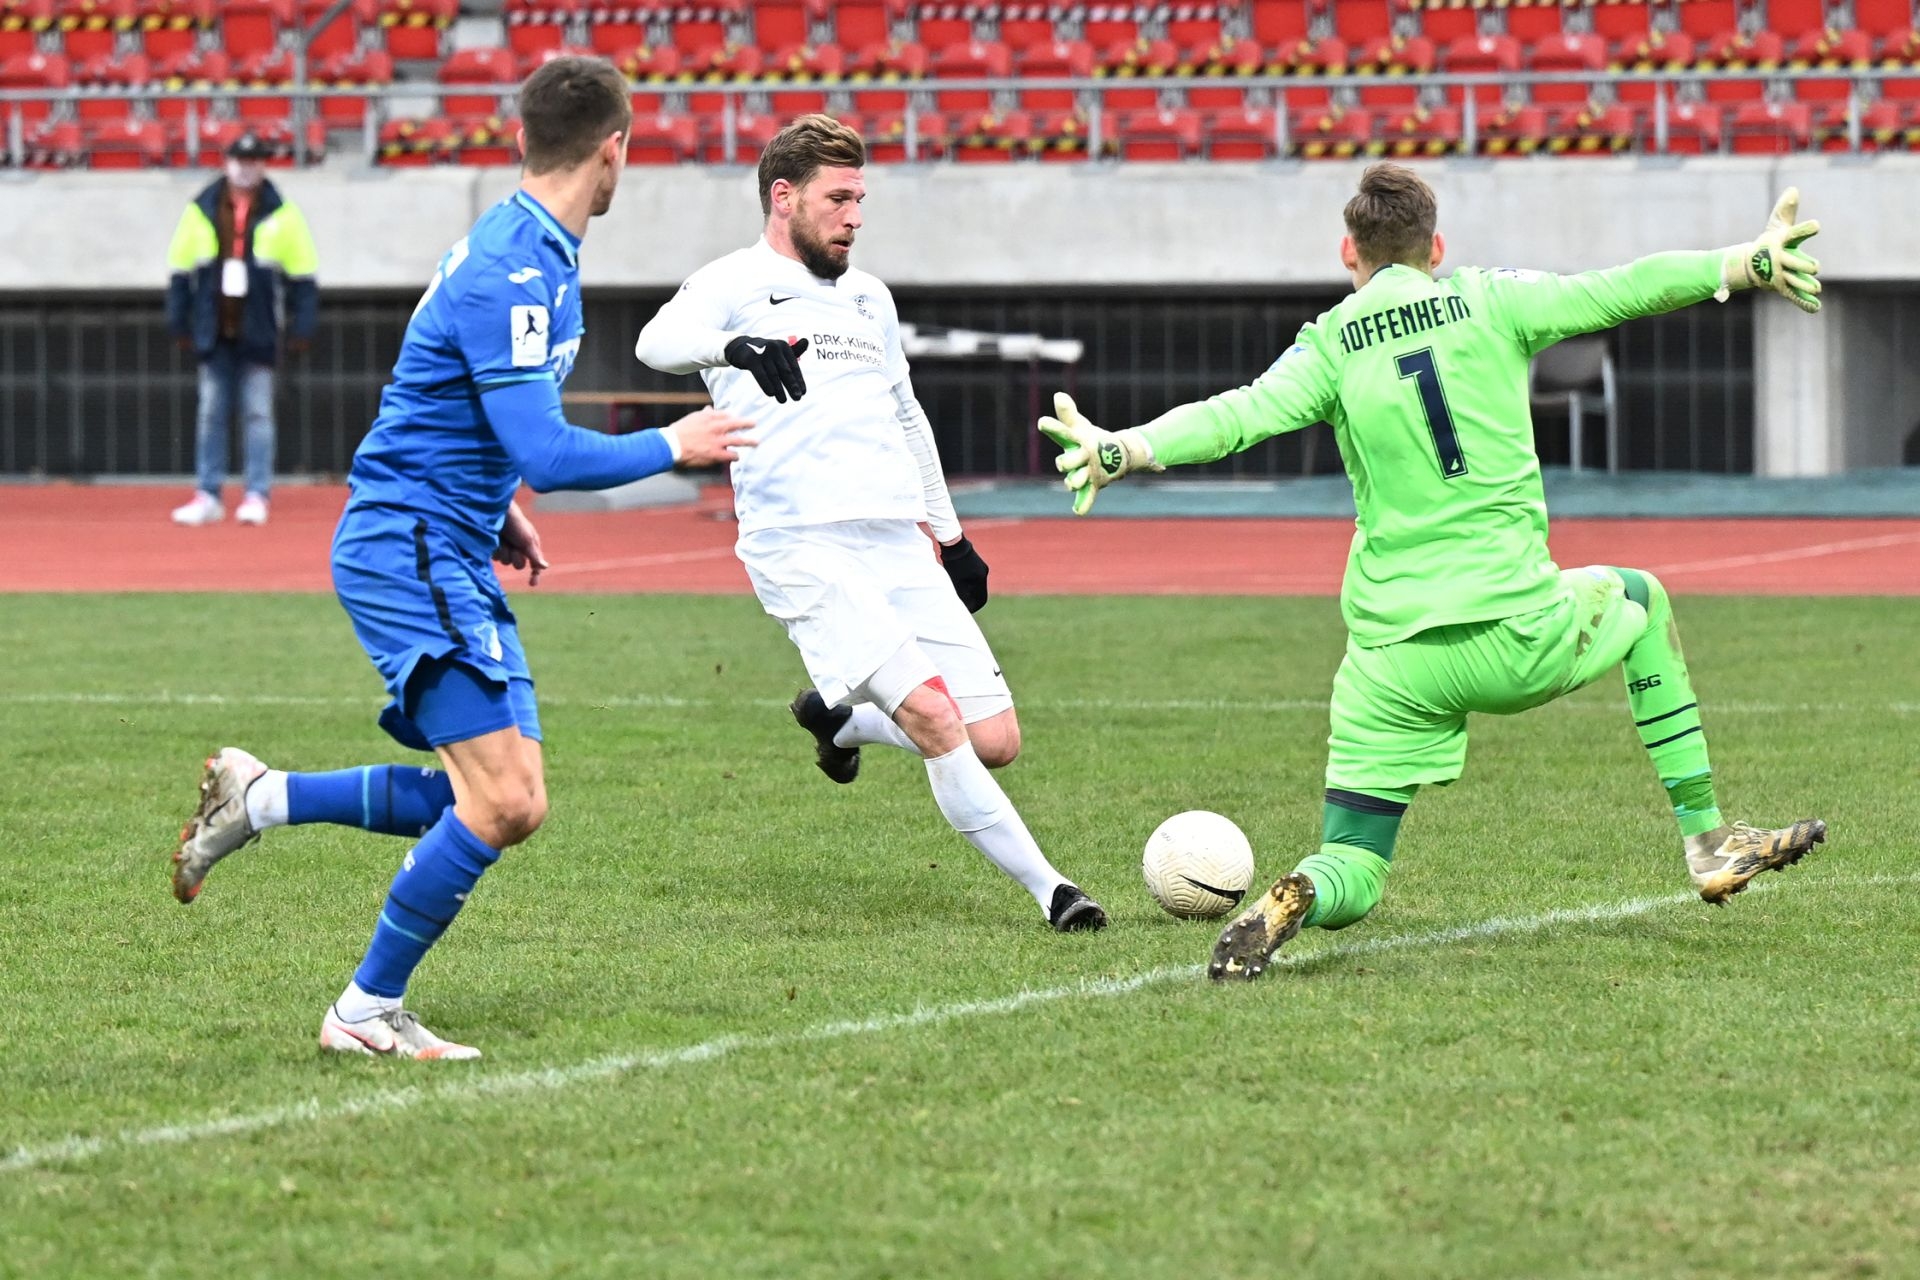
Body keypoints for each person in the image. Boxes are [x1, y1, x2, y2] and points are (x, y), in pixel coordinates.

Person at [1040, 163, 1829, 980]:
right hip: (1516, 631)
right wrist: (1745, 264)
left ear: (1349, 252)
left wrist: (1122, 449)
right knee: (1642, 596)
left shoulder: (1331, 342)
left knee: (1356, 861)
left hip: (1392, 663)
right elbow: (1621, 288)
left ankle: (1306, 887)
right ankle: (1707, 840)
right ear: (1436, 248)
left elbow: (1237, 414)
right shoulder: (1491, 299)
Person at [168, 56, 756, 1057]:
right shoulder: (511, 266)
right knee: (503, 797)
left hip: (444, 538)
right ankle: (363, 1011)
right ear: (615, 150)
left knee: (501, 799)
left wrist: (493, 508)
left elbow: (448, 405)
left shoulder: (535, 250)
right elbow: (547, 452)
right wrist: (677, 440)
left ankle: (261, 796)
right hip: (409, 546)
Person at [633, 114, 1106, 932]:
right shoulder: (732, 282)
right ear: (784, 198)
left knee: (995, 739)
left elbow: (907, 415)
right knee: (935, 716)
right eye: (838, 199)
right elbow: (654, 341)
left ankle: (844, 721)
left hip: (894, 537)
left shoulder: (868, 296)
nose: (855, 217)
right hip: (800, 543)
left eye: (861, 200)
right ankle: (1055, 892)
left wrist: (950, 536)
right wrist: (733, 347)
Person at [166, 131, 319, 528]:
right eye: (241, 160)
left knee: (257, 413)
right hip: (213, 326)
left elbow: (303, 275)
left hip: (259, 328)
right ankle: (208, 492)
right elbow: (180, 270)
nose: (247, 168)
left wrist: (302, 325)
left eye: (254, 161)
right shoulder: (200, 209)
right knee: (210, 413)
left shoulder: (282, 213)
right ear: (227, 162)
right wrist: (178, 319)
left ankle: (256, 492)